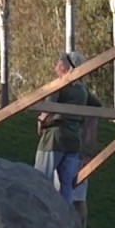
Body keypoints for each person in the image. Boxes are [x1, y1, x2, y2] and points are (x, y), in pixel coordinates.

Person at [34, 51, 103, 204]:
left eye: (59, 62)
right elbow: (98, 107)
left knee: (40, 180)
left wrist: (41, 120)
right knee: (67, 186)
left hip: (54, 139)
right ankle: (66, 220)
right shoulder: (83, 90)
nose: (56, 65)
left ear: (65, 66)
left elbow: (49, 107)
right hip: (73, 141)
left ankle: (41, 217)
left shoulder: (60, 84)